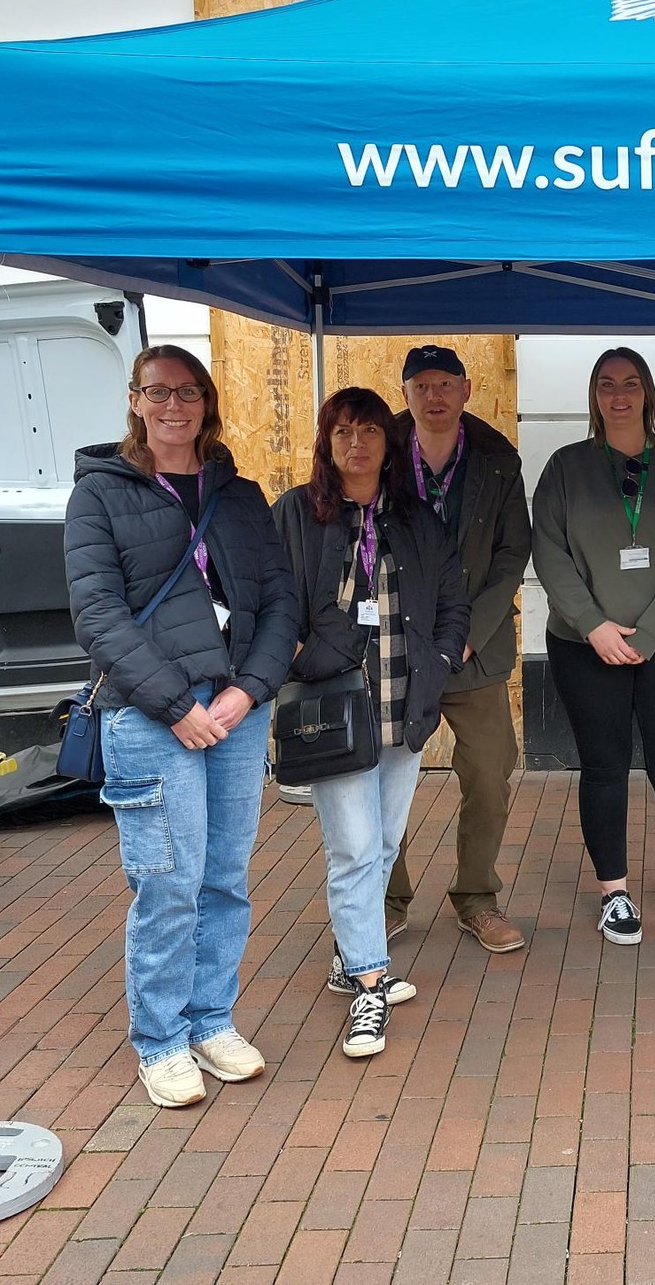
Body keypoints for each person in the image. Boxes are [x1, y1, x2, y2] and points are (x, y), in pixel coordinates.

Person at [65, 345, 298, 1109]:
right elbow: (97, 618)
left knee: (225, 879)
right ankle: (161, 1038)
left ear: (207, 402)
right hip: (152, 715)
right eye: (159, 392)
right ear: (134, 400)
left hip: (234, 709)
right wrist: (177, 705)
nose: (175, 405)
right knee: (168, 886)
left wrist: (248, 693)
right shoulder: (98, 496)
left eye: (189, 392)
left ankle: (211, 1020)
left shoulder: (240, 495)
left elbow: (276, 603)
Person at [271, 388, 469, 1059]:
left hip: (402, 706)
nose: (357, 443)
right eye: (343, 431)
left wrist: (440, 663)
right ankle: (369, 987)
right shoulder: (297, 514)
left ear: (390, 442)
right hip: (330, 710)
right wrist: (298, 655)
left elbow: (453, 601)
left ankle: (349, 957)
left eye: (370, 431)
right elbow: (259, 597)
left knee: (382, 843)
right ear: (327, 441)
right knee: (354, 849)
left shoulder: (416, 518)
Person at [532, 348, 655, 949]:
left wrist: (651, 634)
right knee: (604, 769)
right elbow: (549, 554)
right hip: (586, 648)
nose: (619, 396)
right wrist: (594, 627)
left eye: (630, 384)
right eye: (607, 385)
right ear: (593, 395)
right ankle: (615, 892)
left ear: (647, 393)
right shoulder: (565, 468)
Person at [382, 344, 533, 954]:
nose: (435, 396)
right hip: (394, 643)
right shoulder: (380, 451)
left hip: (474, 646)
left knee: (490, 772)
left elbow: (510, 554)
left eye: (446, 384)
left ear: (466, 391)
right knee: (381, 779)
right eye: (422, 386)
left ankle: (476, 897)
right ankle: (385, 900)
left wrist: (470, 631)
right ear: (407, 394)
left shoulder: (498, 459)